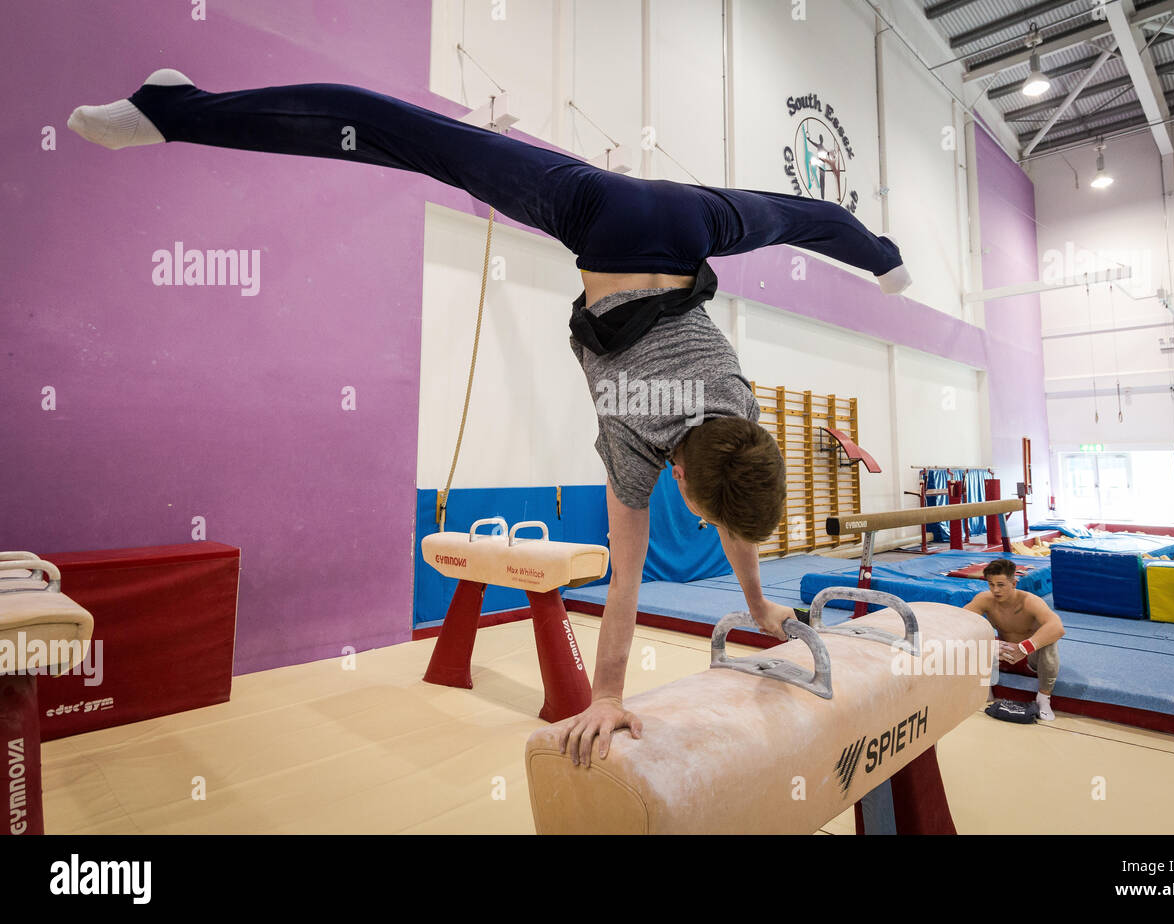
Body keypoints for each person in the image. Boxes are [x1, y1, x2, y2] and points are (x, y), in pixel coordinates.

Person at [69, 70, 913, 764]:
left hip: (685, 222)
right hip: (603, 222)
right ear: (682, 481)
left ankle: (882, 257)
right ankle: (169, 109)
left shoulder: (740, 414)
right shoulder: (632, 443)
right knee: (399, 138)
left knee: (799, 218)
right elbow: (626, 580)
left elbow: (733, 510)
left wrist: (763, 608)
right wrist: (609, 696)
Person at [964, 558, 1064, 721]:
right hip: (1003, 656)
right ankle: (985, 689)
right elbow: (959, 620)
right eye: (991, 584)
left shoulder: (1030, 602)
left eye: (1001, 585)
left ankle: (1043, 699)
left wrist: (1024, 648)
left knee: (1049, 641)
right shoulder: (985, 599)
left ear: (1014, 583)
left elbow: (1058, 627)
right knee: (976, 635)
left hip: (1029, 659)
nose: (995, 590)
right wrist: (988, 643)